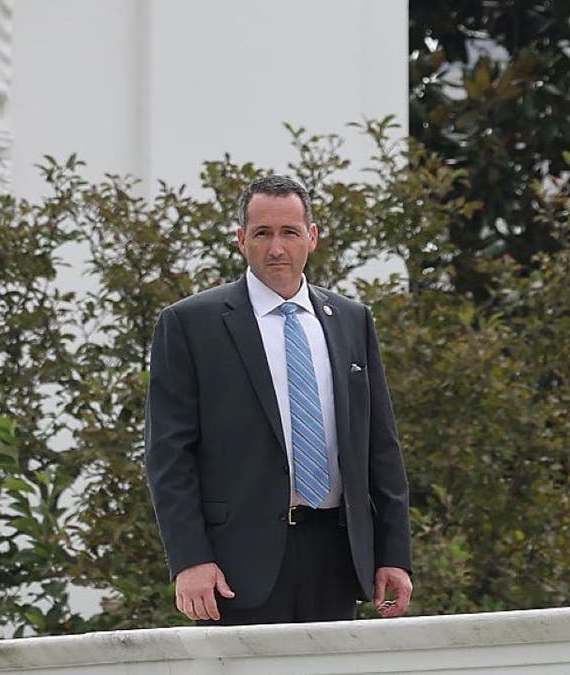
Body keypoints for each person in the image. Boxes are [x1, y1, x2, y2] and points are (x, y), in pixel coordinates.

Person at [145, 175, 412, 623]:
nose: (276, 249)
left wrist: (394, 553)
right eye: (262, 233)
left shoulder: (351, 320)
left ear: (311, 237)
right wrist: (190, 559)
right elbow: (168, 455)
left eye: (289, 233)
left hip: (338, 557)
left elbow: (380, 446)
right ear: (240, 239)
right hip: (235, 565)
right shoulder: (190, 324)